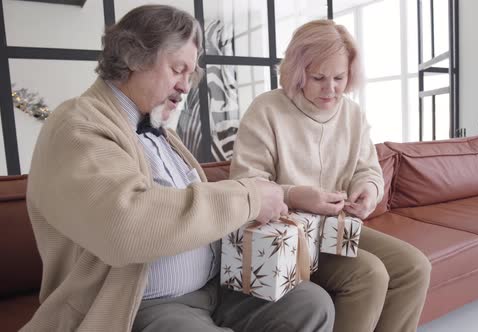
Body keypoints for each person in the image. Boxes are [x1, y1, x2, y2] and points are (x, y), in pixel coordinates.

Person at [22, 5, 334, 332]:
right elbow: (125, 228)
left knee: (311, 304)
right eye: (177, 69)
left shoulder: (160, 131)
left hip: (212, 288)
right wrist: (249, 197)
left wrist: (279, 198)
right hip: (139, 303)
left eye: (190, 74)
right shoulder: (76, 126)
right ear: (133, 57)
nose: (186, 86)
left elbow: (198, 204)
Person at [230, 19, 432, 332]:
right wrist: (295, 195)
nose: (331, 88)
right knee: (371, 274)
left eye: (339, 77)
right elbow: (246, 184)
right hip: (287, 235)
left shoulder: (352, 114)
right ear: (298, 73)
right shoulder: (267, 110)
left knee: (416, 267)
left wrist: (368, 190)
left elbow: (368, 170)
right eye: (318, 77)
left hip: (337, 229)